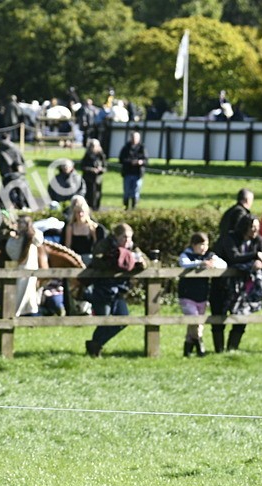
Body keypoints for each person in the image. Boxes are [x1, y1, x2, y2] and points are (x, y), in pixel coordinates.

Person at [211, 214, 262, 353]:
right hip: (223, 285)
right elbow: (234, 257)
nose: (255, 230)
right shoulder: (229, 238)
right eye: (252, 227)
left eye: (257, 227)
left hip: (246, 287)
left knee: (242, 318)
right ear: (244, 227)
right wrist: (255, 255)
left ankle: (232, 349)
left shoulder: (258, 240)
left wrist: (259, 260)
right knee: (219, 317)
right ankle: (219, 350)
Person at [84, 222, 141, 356]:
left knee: (123, 319)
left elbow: (145, 260)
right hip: (102, 288)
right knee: (104, 320)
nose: (127, 241)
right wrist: (115, 261)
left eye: (130, 238)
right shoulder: (104, 244)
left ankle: (95, 344)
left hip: (119, 290)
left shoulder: (132, 248)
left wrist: (140, 263)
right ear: (116, 237)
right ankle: (94, 349)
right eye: (124, 237)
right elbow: (97, 260)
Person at [177, 232, 225, 357]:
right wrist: (200, 263)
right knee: (194, 319)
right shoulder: (186, 254)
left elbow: (223, 264)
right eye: (201, 245)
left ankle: (187, 349)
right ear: (194, 245)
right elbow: (183, 263)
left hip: (202, 295)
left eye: (206, 244)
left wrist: (213, 262)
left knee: (197, 322)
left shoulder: (210, 255)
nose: (204, 248)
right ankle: (199, 345)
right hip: (187, 294)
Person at [5, 214, 43, 316]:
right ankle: (19, 314)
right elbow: (12, 252)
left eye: (22, 223)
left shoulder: (32, 236)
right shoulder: (18, 237)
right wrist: (13, 238)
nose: (19, 225)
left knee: (29, 293)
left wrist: (31, 232)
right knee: (20, 293)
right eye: (19, 223)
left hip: (30, 268)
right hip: (20, 268)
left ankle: (29, 314)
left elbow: (39, 241)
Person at [0, 132, 29, 210]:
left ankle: (1, 205)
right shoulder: (12, 146)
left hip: (7, 175)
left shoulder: (0, 147)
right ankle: (23, 205)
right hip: (14, 175)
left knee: (6, 192)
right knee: (20, 188)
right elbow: (18, 161)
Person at [118, 130, 147, 210]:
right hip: (127, 173)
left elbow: (146, 160)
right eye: (133, 137)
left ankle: (134, 207)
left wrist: (140, 162)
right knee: (127, 192)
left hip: (137, 174)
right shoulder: (126, 148)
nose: (134, 139)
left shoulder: (142, 148)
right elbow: (121, 159)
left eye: (136, 138)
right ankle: (126, 207)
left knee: (136, 192)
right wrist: (131, 162)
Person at [78, 139, 106, 210]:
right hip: (88, 179)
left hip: (98, 180)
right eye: (93, 146)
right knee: (89, 195)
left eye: (96, 146)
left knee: (98, 195)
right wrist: (91, 170)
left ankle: (96, 209)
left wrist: (101, 169)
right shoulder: (87, 155)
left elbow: (105, 167)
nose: (95, 147)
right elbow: (82, 167)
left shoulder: (101, 155)